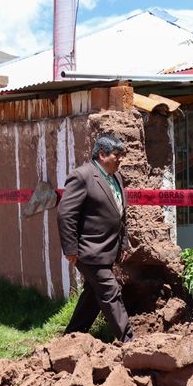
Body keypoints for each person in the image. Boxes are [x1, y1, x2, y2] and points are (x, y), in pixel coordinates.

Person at [57, 134, 134, 342]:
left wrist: (123, 243)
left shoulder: (116, 177)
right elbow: (66, 214)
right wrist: (70, 248)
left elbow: (120, 215)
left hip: (108, 249)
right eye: (116, 155)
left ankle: (72, 336)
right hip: (88, 250)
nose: (120, 160)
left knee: (93, 293)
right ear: (102, 154)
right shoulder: (82, 176)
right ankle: (129, 341)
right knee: (110, 291)